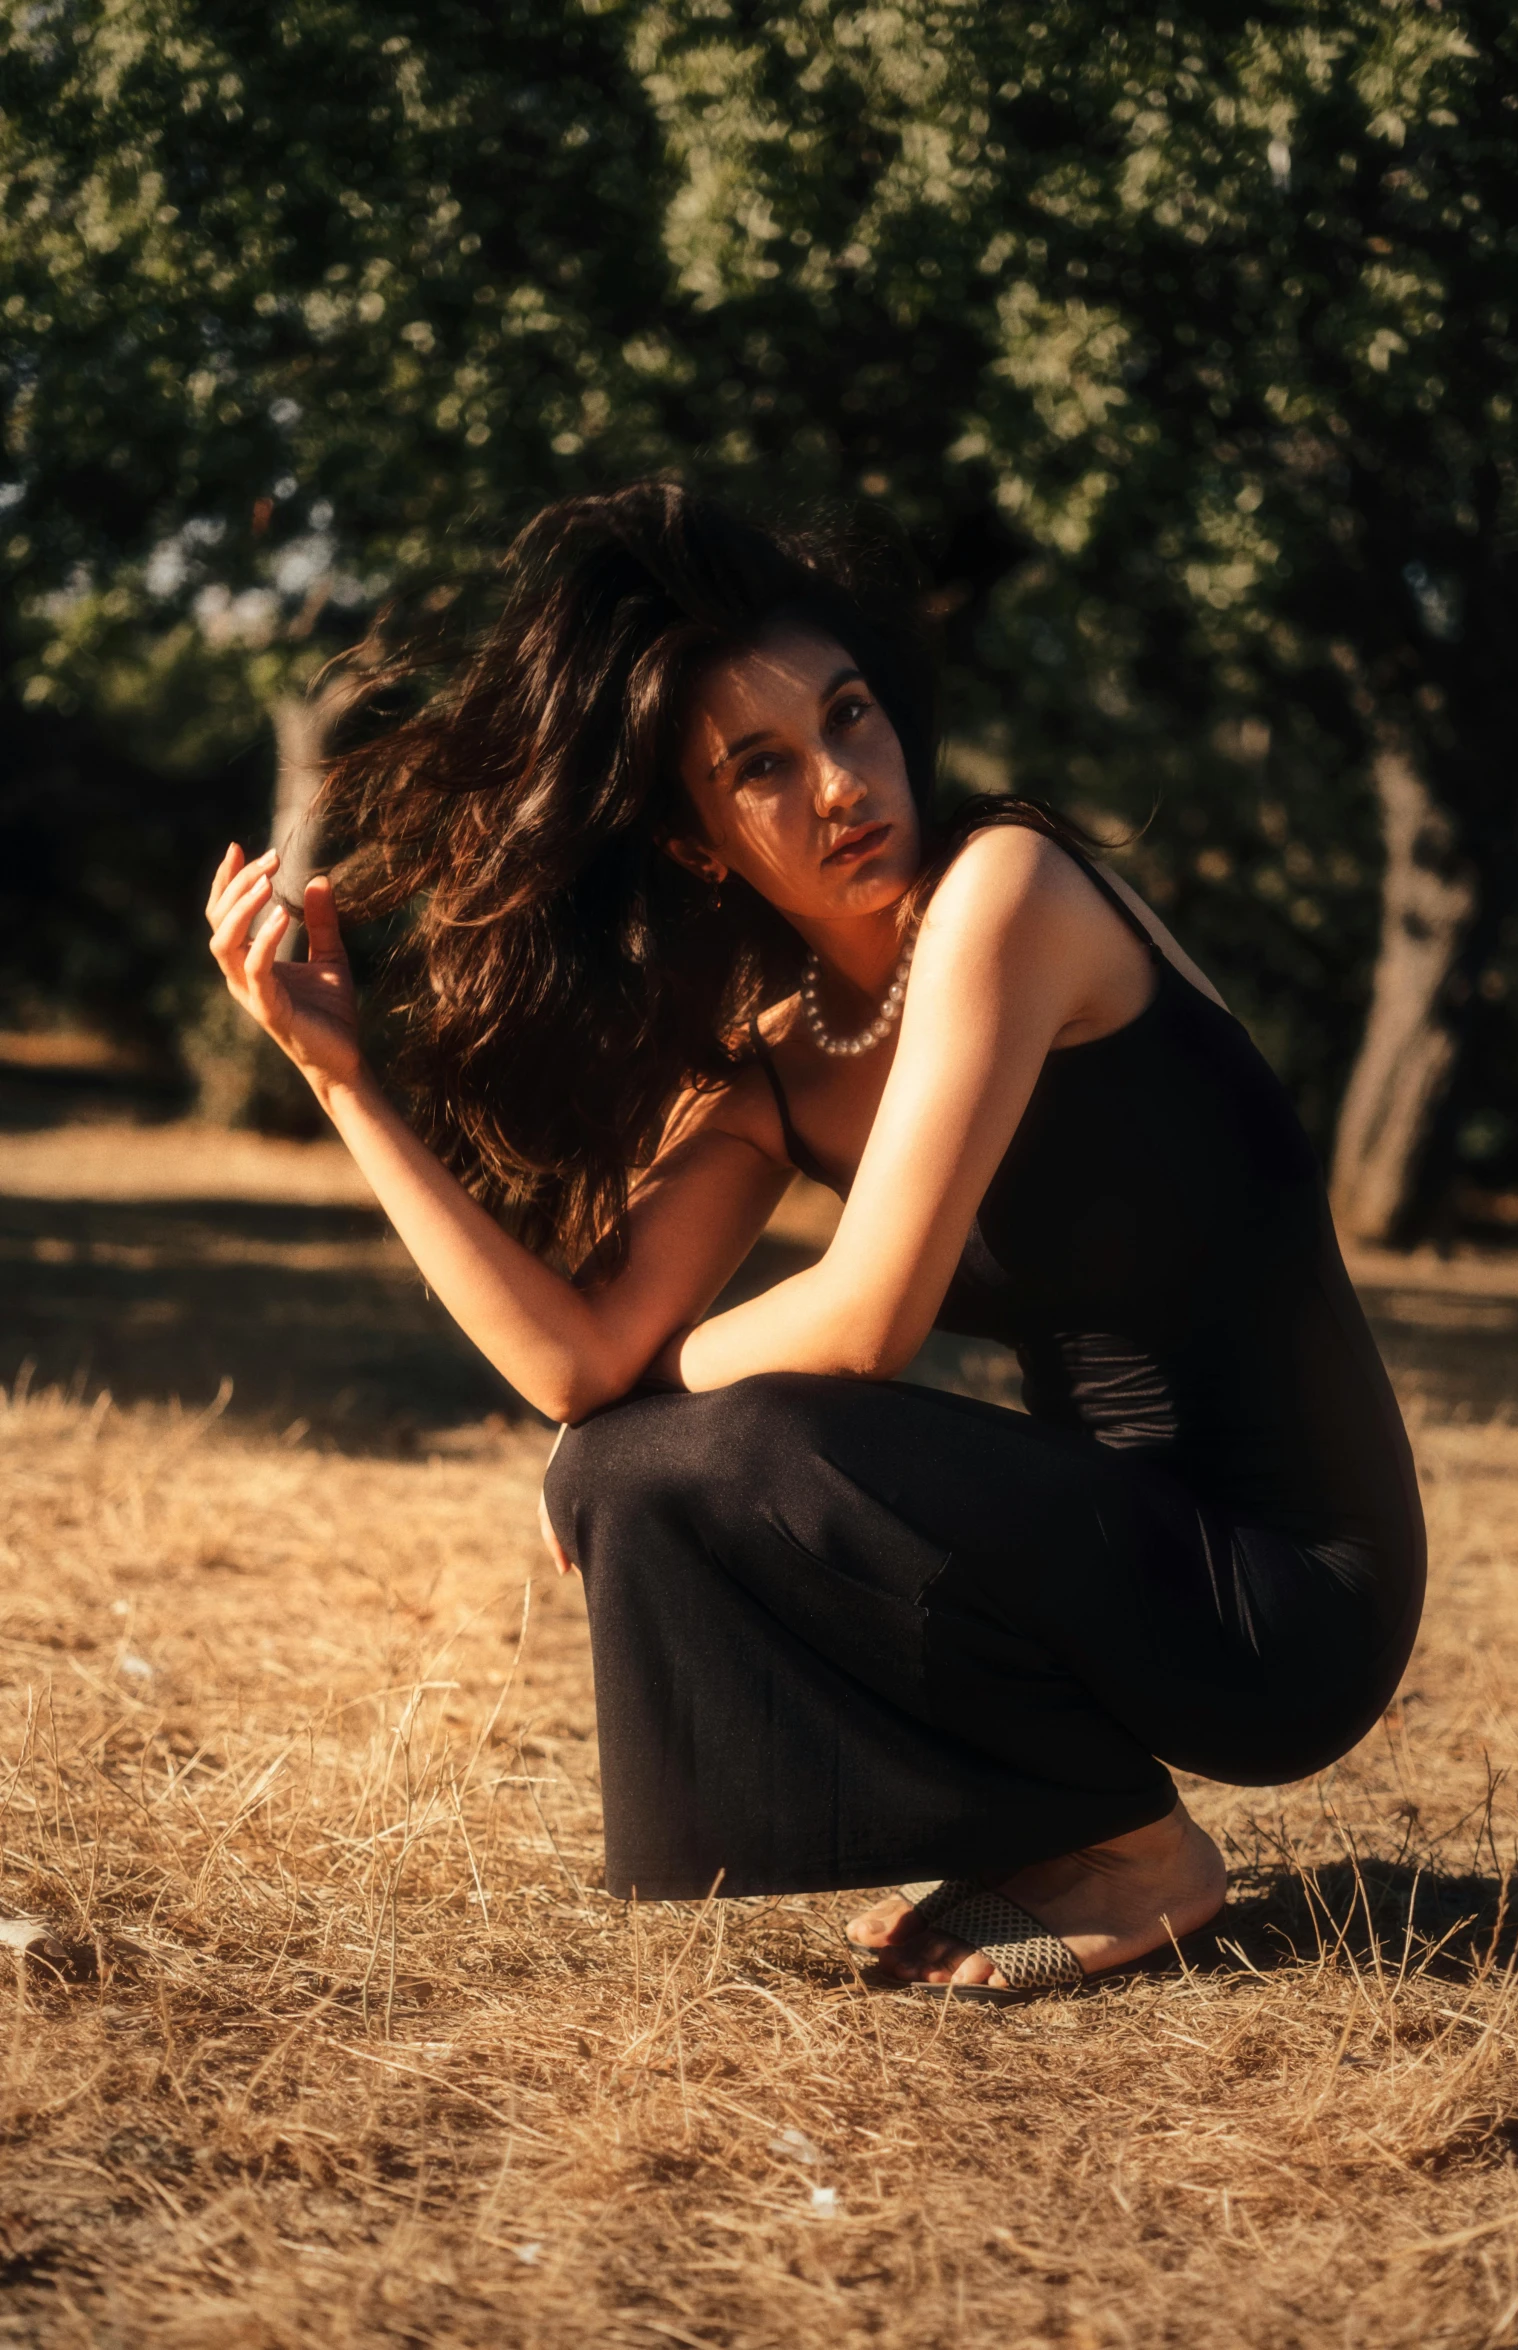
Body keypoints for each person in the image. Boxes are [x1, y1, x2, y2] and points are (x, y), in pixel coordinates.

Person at [204, 483, 1424, 2000]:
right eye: (763, 767)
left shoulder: (1009, 890)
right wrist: (342, 1075)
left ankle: (1130, 1850)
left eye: (849, 718)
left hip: (1289, 1599)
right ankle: (1045, 1819)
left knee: (695, 1440)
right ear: (697, 841)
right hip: (1113, 1560)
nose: (842, 783)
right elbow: (570, 1362)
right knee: (613, 1469)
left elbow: (862, 1324)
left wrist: (655, 1390)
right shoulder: (780, 1051)